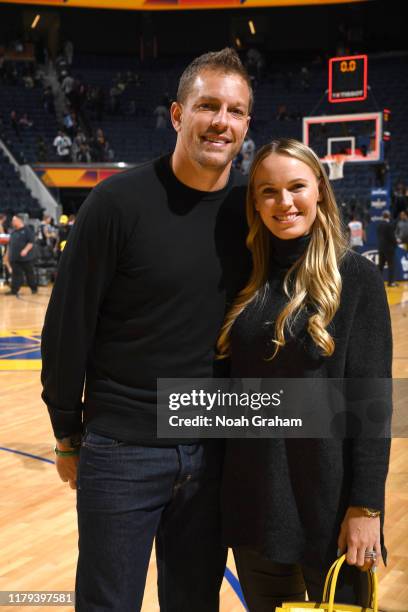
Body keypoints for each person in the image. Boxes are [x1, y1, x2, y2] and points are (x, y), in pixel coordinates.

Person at [41, 48, 252, 612]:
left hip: (213, 449)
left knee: (193, 603)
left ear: (247, 125)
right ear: (178, 115)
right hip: (122, 449)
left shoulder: (254, 209)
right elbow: (67, 327)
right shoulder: (115, 203)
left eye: (235, 111)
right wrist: (67, 434)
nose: (221, 121)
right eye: (208, 106)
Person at [218, 139, 392, 610]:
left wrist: (366, 507)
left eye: (296, 186)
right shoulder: (247, 279)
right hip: (257, 501)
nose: (284, 202)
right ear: (254, 202)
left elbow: (372, 407)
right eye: (268, 191)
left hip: (332, 507)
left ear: (320, 191)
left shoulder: (355, 278)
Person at [5, 214, 38, 296]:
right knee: (15, 275)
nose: (12, 222)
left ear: (19, 220)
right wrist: (8, 255)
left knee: (29, 274)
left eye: (14, 220)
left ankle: (33, 288)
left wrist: (25, 250)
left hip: (25, 258)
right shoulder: (13, 232)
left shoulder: (27, 230)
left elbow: (31, 242)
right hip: (15, 258)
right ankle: (14, 290)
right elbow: (10, 245)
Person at [377, 210, 398, 287]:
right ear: (389, 216)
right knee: (391, 265)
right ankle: (391, 282)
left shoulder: (379, 225)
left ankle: (378, 283)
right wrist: (395, 244)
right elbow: (392, 237)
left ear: (383, 216)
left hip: (381, 248)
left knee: (380, 266)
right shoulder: (389, 225)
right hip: (389, 248)